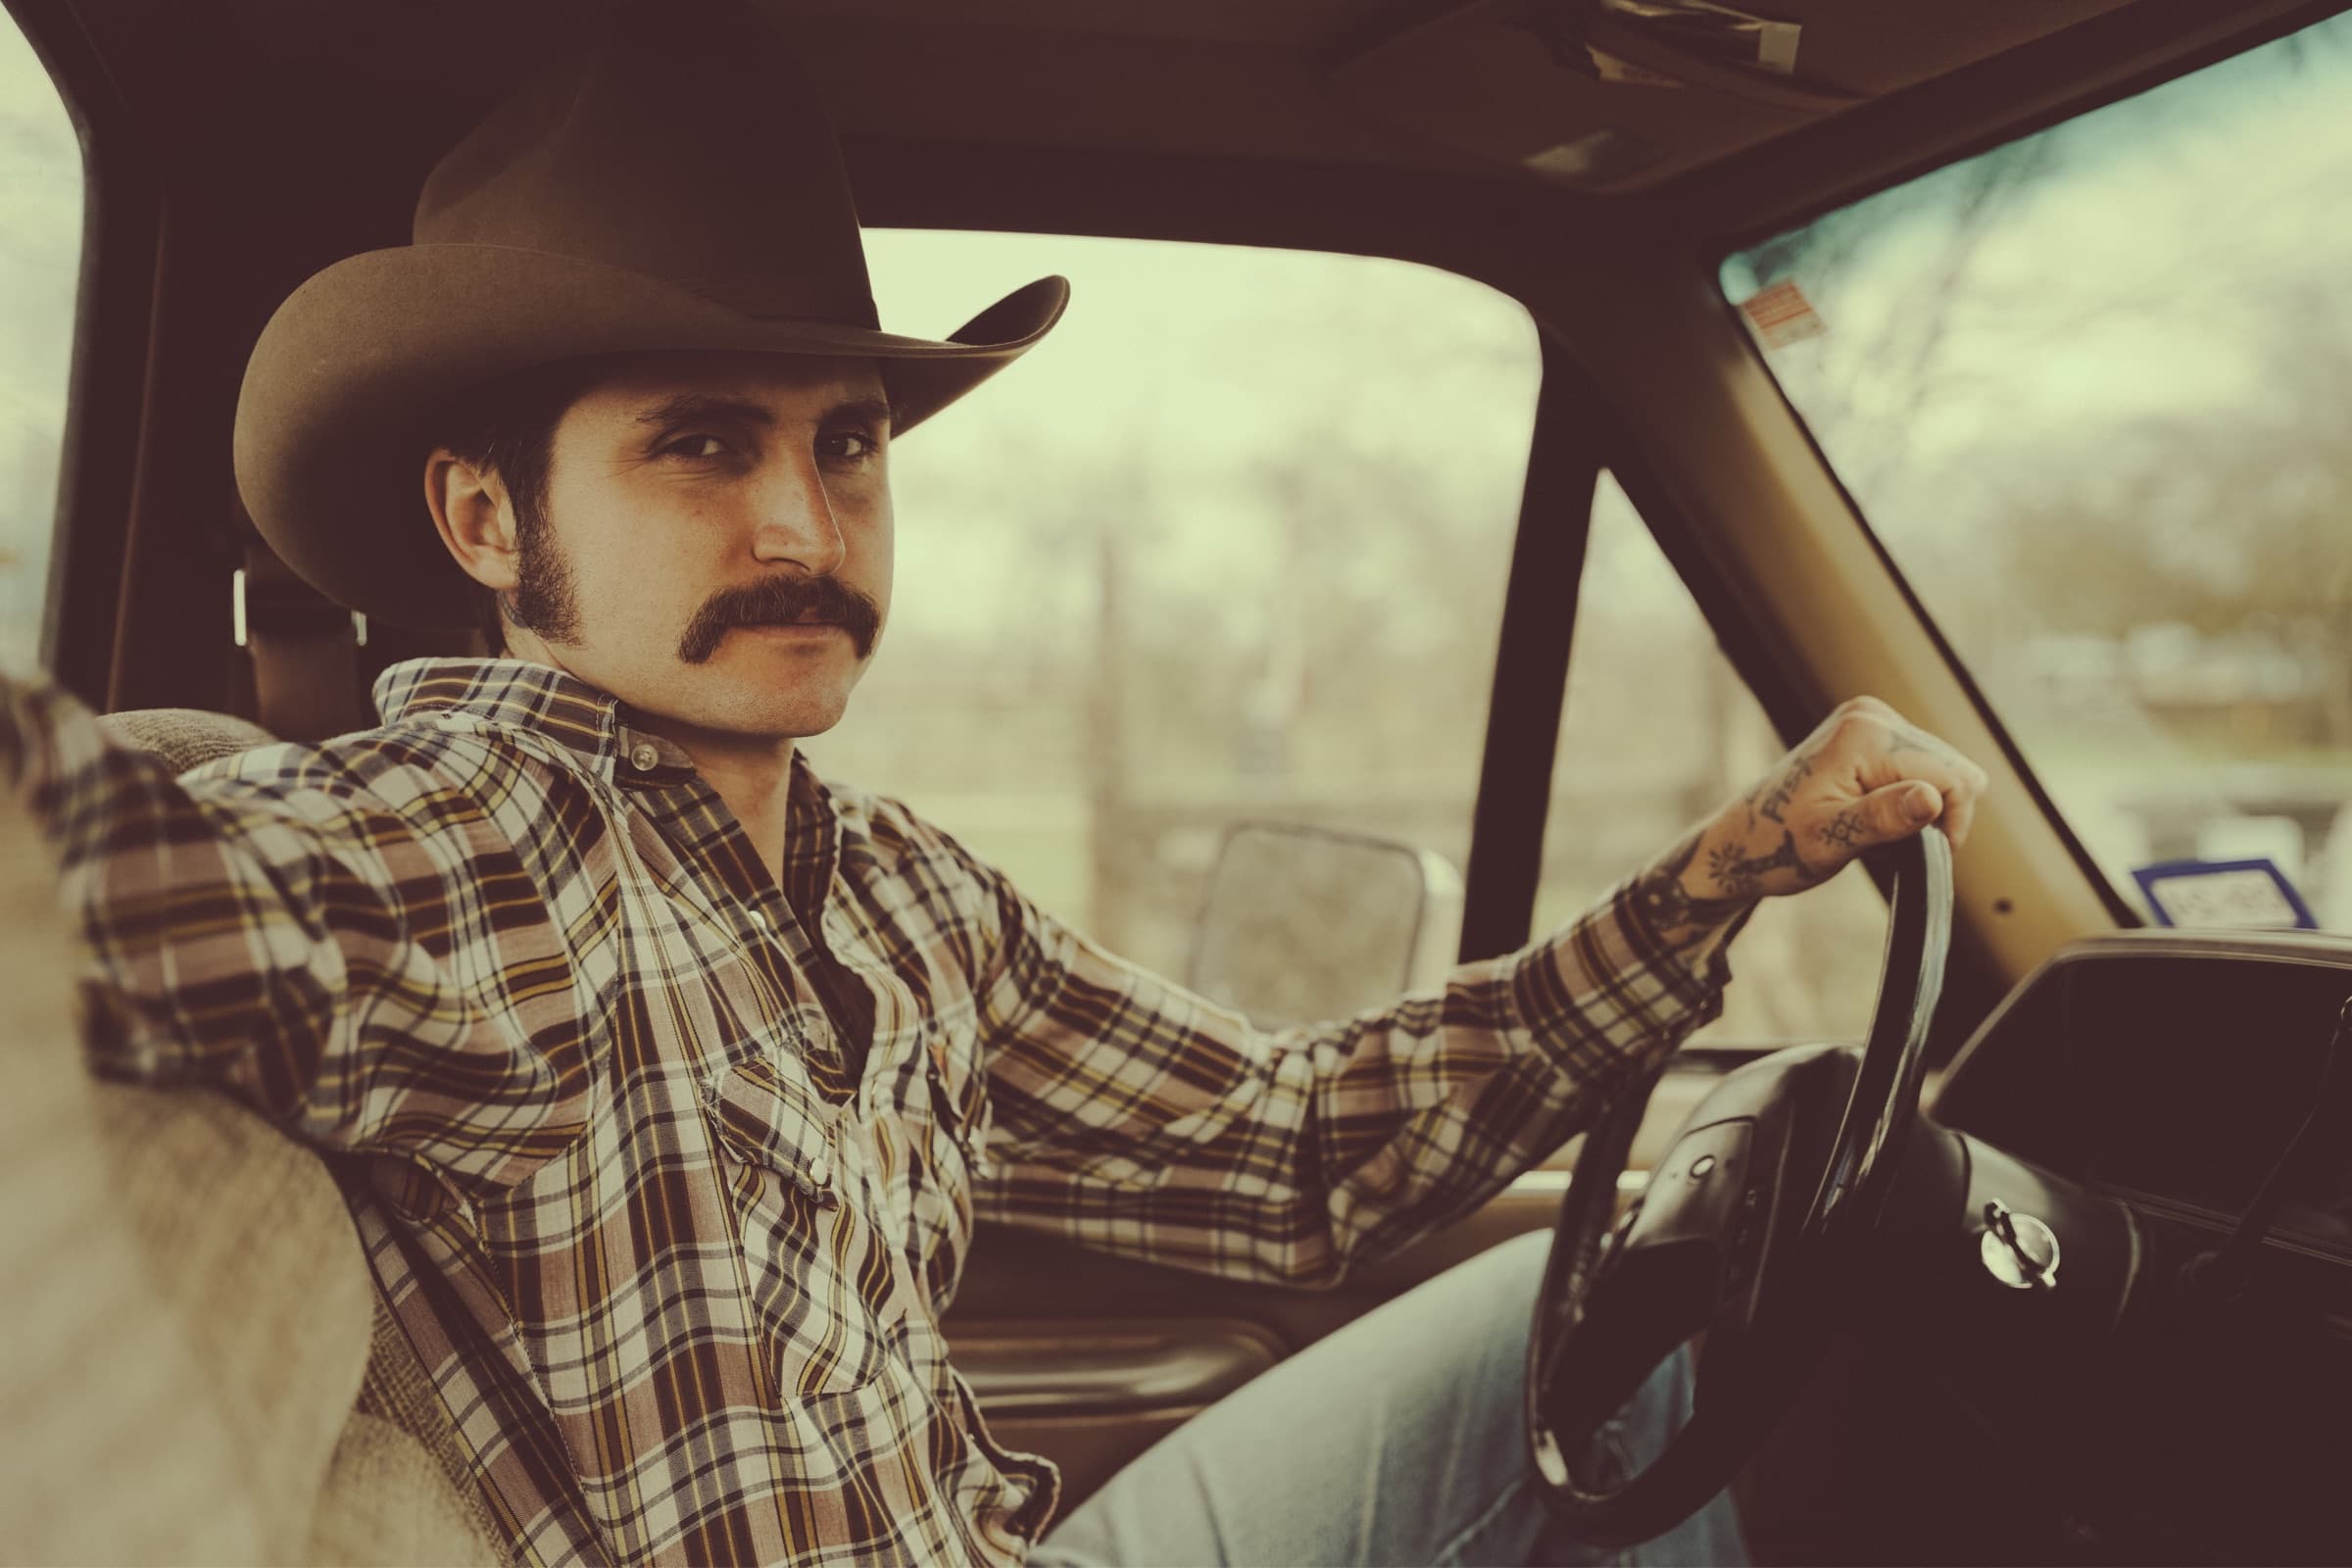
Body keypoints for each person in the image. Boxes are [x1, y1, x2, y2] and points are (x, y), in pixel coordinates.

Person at [0, 6, 1987, 1565]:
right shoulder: (472, 837)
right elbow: (78, 849)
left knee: (1656, 1334)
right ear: (485, 518)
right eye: (698, 443)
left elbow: (1293, 1157)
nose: (801, 520)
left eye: (847, 442)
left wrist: (1742, 857)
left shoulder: (897, 891)